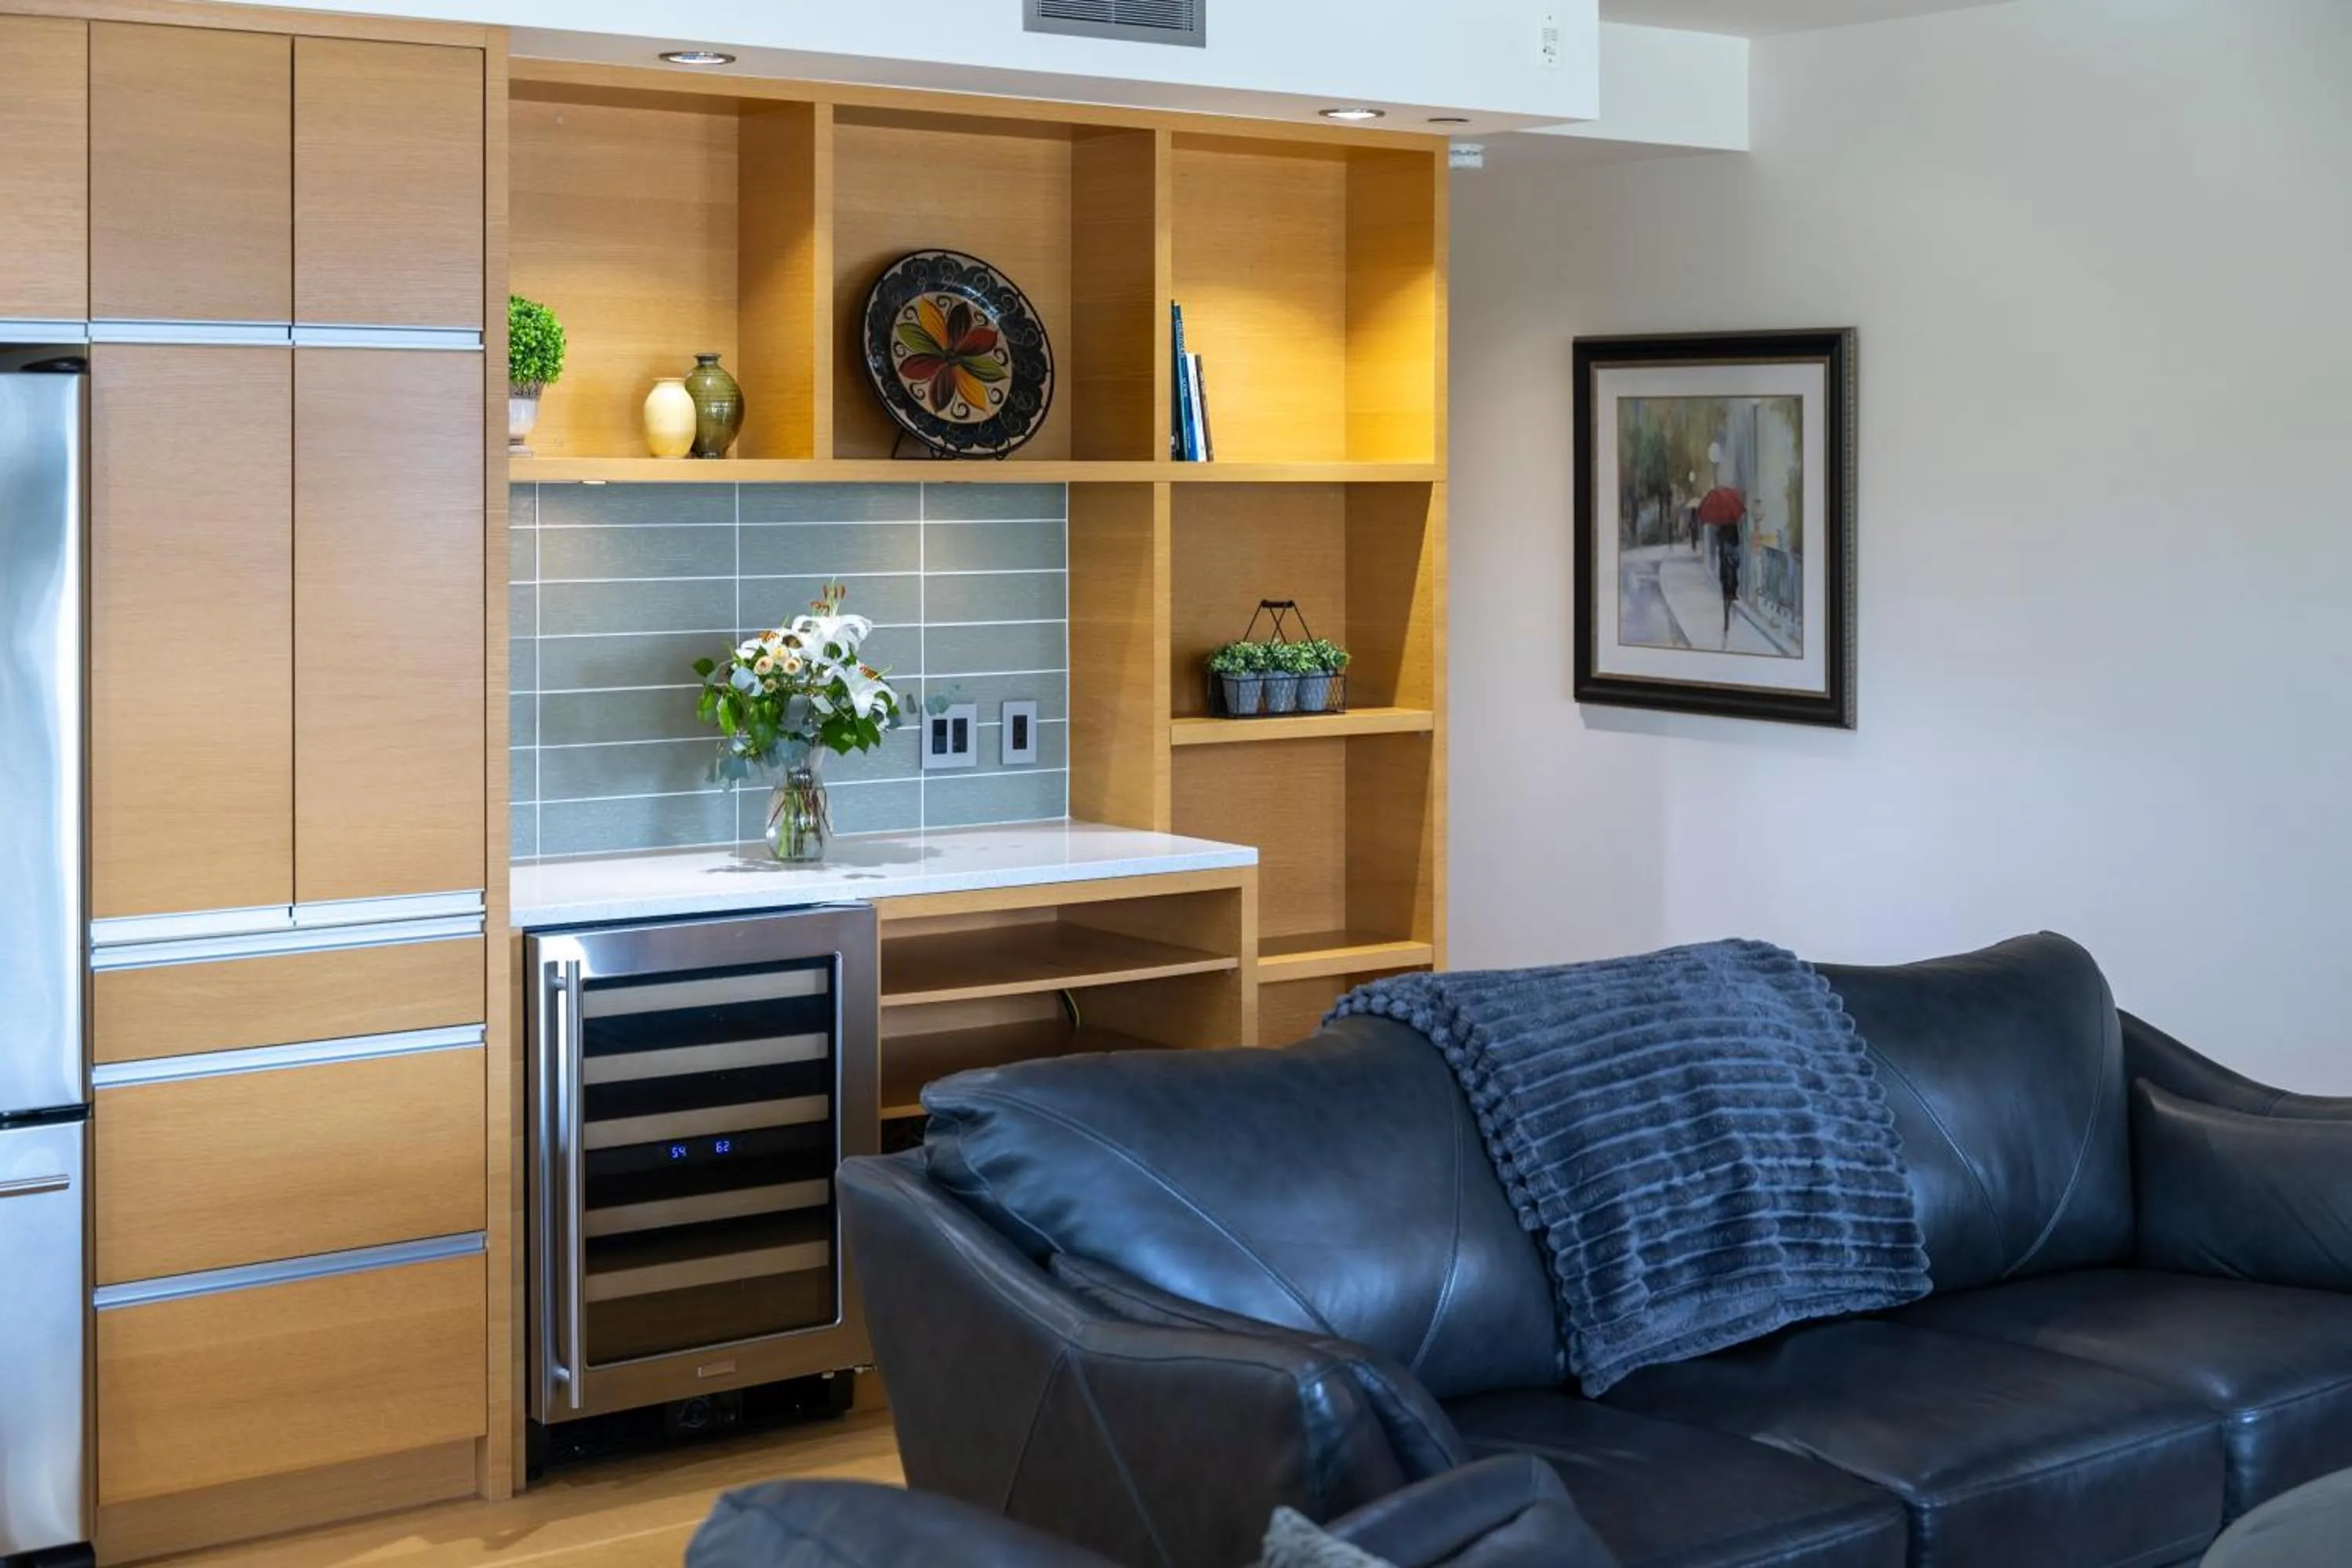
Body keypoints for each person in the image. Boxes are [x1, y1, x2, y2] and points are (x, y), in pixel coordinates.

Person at [1716, 523, 1744, 642]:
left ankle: (1726, 617)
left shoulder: (1721, 529)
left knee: (1725, 585)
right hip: (1730, 560)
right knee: (1731, 582)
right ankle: (1731, 596)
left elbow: (1720, 547)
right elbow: (1737, 542)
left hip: (1725, 561)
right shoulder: (1733, 526)